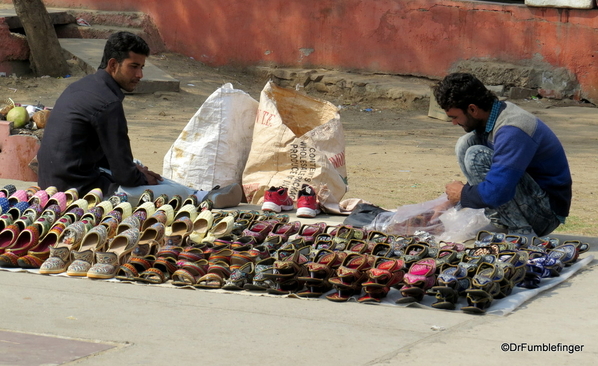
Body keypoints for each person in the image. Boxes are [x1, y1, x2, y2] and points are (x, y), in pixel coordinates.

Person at [37, 32, 197, 204]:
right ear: (113, 64)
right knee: (178, 192)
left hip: (50, 180)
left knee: (137, 164)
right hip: (78, 191)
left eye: (141, 67)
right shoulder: (108, 103)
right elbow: (125, 175)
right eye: (133, 66)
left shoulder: (81, 86)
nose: (139, 75)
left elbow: (106, 154)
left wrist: (136, 170)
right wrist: (142, 178)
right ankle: (199, 195)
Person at [433, 73, 572, 237]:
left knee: (475, 155)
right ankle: (500, 221)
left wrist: (463, 194)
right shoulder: (494, 115)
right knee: (466, 144)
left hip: (546, 212)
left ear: (473, 109)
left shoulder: (512, 129)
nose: (454, 123)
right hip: (529, 199)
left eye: (455, 117)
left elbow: (497, 192)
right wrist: (450, 202)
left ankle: (521, 232)